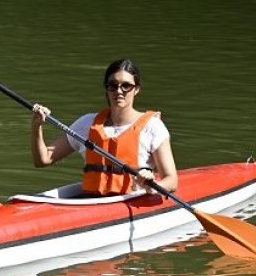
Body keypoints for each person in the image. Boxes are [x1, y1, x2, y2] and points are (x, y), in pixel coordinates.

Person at [30, 58, 178, 196]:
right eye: (113, 85)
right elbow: (43, 159)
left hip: (132, 201)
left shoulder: (152, 127)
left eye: (126, 86)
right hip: (91, 201)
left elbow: (171, 180)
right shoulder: (86, 124)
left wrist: (152, 185)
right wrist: (37, 127)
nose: (119, 91)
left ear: (136, 89)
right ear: (107, 89)